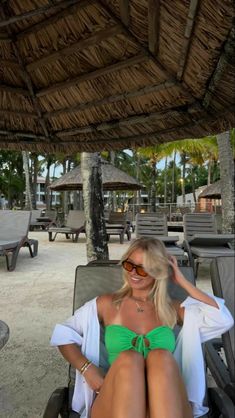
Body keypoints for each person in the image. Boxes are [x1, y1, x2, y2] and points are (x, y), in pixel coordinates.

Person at [51, 237, 233, 418]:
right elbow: (63, 334)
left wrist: (181, 280)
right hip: (117, 402)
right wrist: (87, 369)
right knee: (129, 359)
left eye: (142, 268)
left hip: (167, 403)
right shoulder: (107, 304)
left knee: (161, 356)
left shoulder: (172, 309)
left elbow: (222, 319)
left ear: (157, 272)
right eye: (129, 265)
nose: (133, 273)